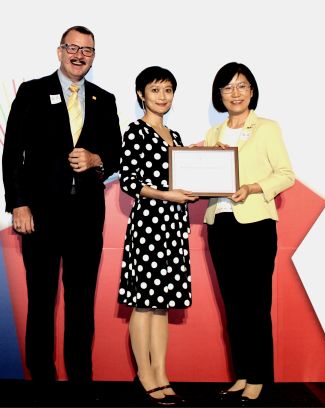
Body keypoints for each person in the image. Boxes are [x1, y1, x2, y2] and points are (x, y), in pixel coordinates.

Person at [2, 25, 122, 393]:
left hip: (86, 219)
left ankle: (80, 381)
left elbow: (116, 154)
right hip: (40, 217)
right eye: (73, 47)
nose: (79, 55)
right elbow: (12, 152)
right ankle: (42, 381)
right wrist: (18, 203)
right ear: (59, 52)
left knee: (81, 304)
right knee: (41, 301)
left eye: (87, 50)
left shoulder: (105, 100)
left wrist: (96, 159)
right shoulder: (32, 92)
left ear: (93, 57)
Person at [202, 62, 295, 405]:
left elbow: (286, 174)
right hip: (220, 224)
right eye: (228, 87)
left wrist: (253, 187)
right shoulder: (213, 134)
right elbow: (207, 180)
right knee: (233, 305)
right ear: (220, 95)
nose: (235, 93)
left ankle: (259, 377)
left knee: (256, 305)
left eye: (242, 85)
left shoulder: (267, 128)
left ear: (252, 90)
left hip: (255, 225)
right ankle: (241, 374)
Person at [118, 66, 198, 406]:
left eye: (168, 90)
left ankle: (162, 373)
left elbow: (185, 176)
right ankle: (145, 374)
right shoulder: (135, 132)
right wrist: (168, 195)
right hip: (149, 223)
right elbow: (129, 181)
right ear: (141, 94)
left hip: (173, 225)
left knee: (162, 304)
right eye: (155, 90)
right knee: (144, 303)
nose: (162, 96)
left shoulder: (175, 136)